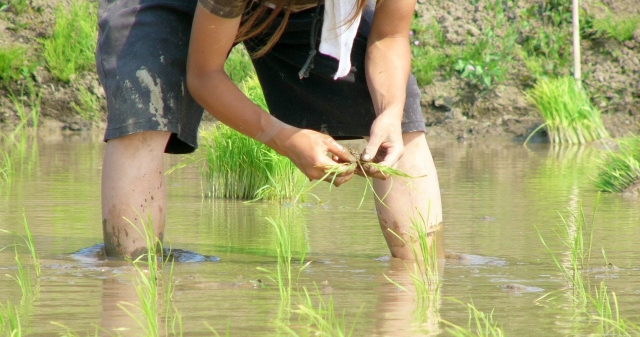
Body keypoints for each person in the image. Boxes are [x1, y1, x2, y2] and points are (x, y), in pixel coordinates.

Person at [97, 0, 443, 260]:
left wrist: (390, 111)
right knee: (141, 112)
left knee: (399, 125)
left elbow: (389, 35)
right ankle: (130, 280)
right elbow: (204, 74)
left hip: (315, 12)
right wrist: (285, 139)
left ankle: (419, 288)